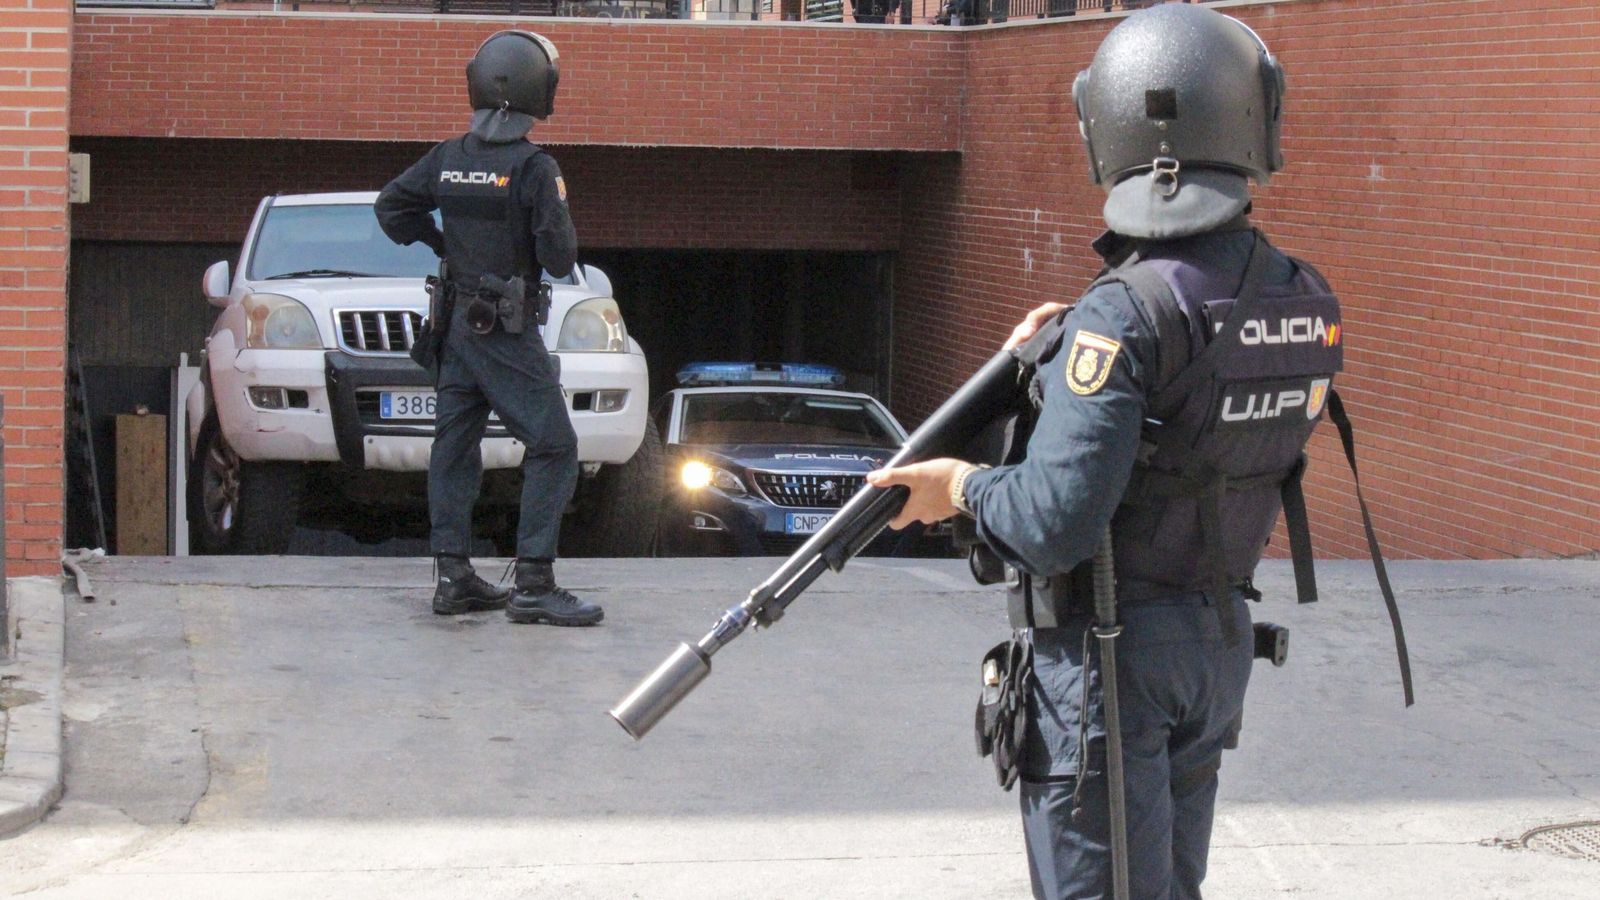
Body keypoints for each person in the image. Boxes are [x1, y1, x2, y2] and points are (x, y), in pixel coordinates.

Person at [867, 5, 1338, 898]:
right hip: (1213, 640)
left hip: (1109, 660)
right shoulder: (1303, 298)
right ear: (1254, 118)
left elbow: (1053, 523)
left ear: (1112, 127)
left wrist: (959, 487)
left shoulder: (1122, 315)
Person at [376, 30, 603, 627]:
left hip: (454, 326)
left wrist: (440, 244)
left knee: (453, 446)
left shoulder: (447, 157)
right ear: (535, 88)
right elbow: (558, 259)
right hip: (503, 330)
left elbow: (391, 208)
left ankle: (454, 579)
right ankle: (533, 583)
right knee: (555, 446)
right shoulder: (534, 167)